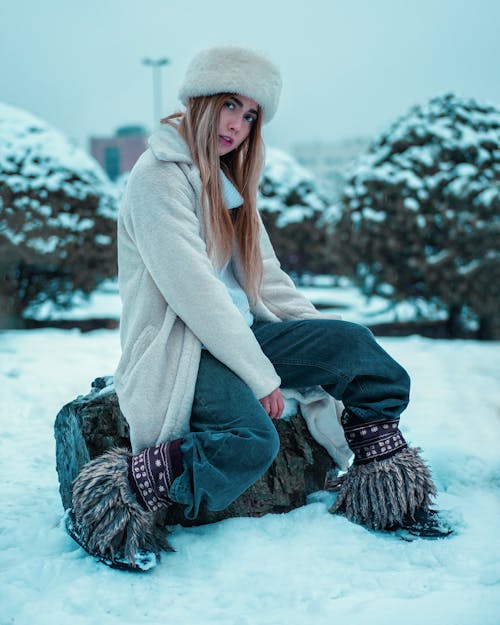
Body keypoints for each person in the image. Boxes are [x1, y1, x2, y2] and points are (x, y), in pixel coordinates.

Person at [69, 45, 438, 568]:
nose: (238, 124)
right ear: (202, 100)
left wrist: (317, 337)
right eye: (230, 106)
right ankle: (116, 498)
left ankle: (385, 489)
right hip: (184, 351)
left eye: (250, 115)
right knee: (249, 442)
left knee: (357, 348)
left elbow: (271, 281)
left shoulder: (230, 184)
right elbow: (192, 291)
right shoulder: (157, 176)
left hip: (244, 336)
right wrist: (261, 376)